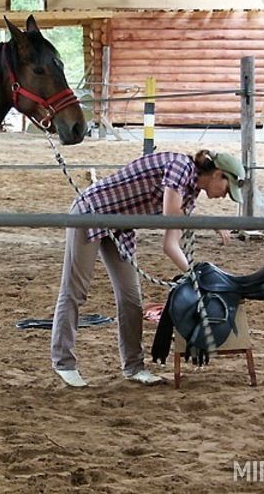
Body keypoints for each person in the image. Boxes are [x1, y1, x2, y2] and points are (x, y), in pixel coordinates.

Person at [50, 149, 245, 388]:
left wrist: (195, 276)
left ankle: (134, 367)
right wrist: (208, 223)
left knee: (131, 299)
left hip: (120, 226)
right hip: (91, 212)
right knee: (75, 291)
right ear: (217, 174)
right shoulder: (181, 166)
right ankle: (64, 363)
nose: (225, 196)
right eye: (227, 189)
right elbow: (170, 216)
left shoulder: (190, 195)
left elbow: (170, 245)